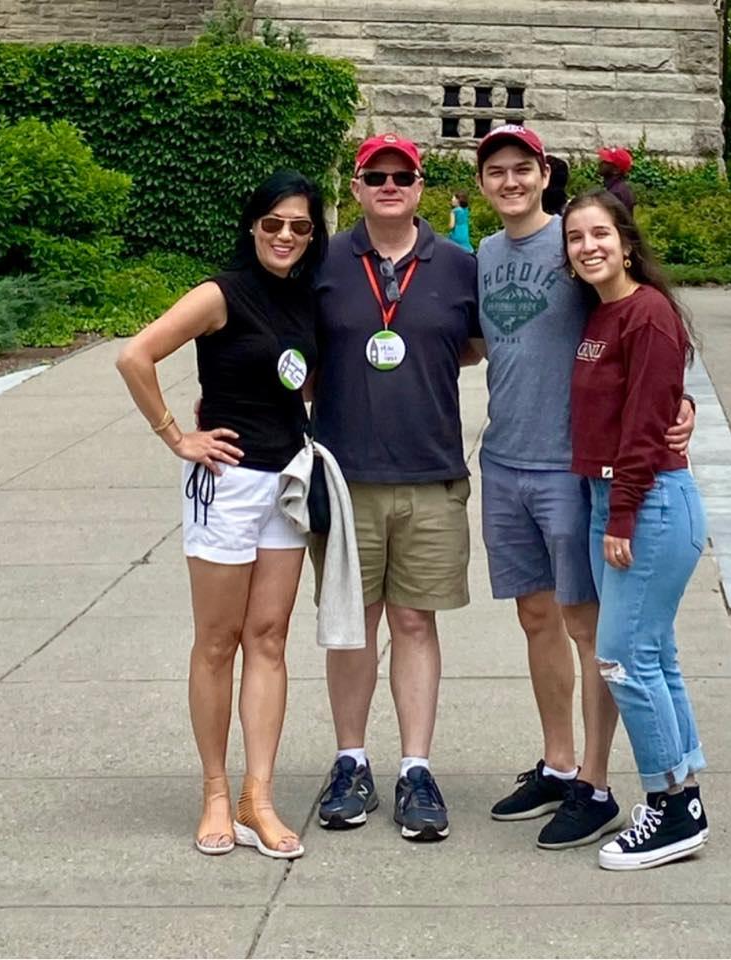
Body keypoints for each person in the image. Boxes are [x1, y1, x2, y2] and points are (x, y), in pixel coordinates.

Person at [473, 123, 695, 851]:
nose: (509, 182)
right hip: (504, 462)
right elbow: (483, 341)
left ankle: (598, 784)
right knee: (535, 618)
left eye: (521, 169)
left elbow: (646, 337)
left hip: (572, 471)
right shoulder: (483, 255)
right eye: (495, 171)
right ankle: (560, 762)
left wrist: (676, 406)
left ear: (545, 175)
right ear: (482, 184)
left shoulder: (575, 252)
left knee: (591, 630)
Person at [115, 170, 328, 860]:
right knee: (218, 640)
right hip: (227, 482)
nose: (287, 237)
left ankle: (256, 797)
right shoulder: (219, 294)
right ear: (252, 227)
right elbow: (134, 355)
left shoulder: (306, 300)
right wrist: (177, 435)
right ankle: (214, 791)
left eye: (300, 226)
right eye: (274, 224)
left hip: (285, 483)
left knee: (269, 637)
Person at [310, 133, 481, 842]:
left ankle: (416, 767)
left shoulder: (460, 266)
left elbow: (474, 347)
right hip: (343, 478)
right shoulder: (320, 265)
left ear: (419, 186)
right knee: (353, 627)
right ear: (355, 187)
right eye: (373, 175)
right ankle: (352, 761)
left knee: (415, 621)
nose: (388, 184)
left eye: (400, 175)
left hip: (430, 473)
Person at [563, 187, 708, 871]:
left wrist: (621, 513)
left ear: (625, 240)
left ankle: (666, 811)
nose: (588, 247)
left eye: (599, 234)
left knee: (621, 658)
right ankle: (684, 792)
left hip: (644, 503)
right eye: (575, 238)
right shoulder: (604, 312)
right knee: (656, 655)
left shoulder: (646, 313)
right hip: (612, 497)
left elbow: (648, 424)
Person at [596, 146, 635, 217]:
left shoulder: (616, 193)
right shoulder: (619, 188)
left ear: (616, 170)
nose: (600, 162)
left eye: (606, 162)